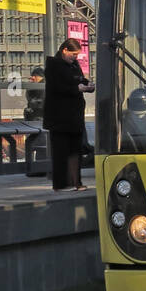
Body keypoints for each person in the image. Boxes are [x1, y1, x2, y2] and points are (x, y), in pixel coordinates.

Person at [43, 38, 93, 191]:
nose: (75, 57)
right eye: (73, 54)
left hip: (75, 116)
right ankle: (61, 184)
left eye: (77, 54)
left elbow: (79, 80)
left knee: (75, 151)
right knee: (61, 152)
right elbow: (58, 87)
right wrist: (78, 89)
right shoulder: (53, 66)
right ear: (64, 50)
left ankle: (76, 182)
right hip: (60, 117)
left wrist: (88, 85)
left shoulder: (74, 65)